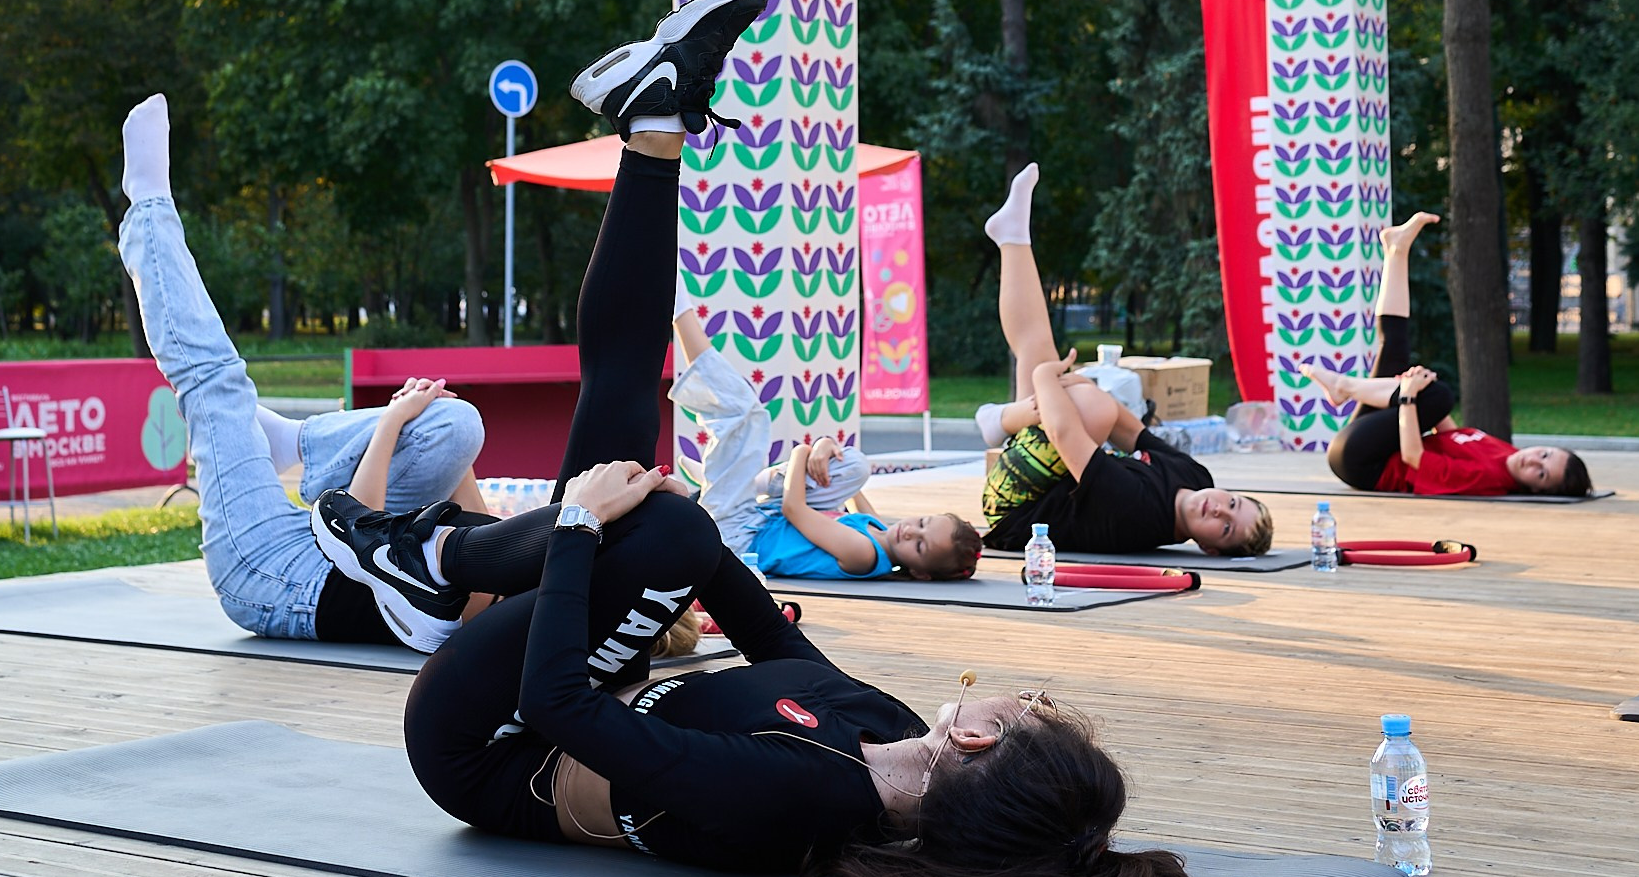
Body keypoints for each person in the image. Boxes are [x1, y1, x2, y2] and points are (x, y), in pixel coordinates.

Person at [302, 0, 1190, 877]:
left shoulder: (804, 796)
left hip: (484, 740)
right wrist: (657, 511)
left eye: (1033, 702)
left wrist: (573, 528)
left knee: (655, 519)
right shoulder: (882, 730)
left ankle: (428, 558)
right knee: (642, 453)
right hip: (582, 686)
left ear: (975, 739)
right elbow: (769, 637)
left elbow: (564, 709)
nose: (1024, 689)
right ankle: (653, 124)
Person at [117, 96, 503, 646]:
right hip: (330, 539)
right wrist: (431, 421)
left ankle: (147, 208)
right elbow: (443, 486)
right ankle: (297, 443)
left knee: (217, 379)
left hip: (273, 576)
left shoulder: (497, 606)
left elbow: (363, 531)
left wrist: (392, 422)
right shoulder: (519, 564)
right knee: (458, 424)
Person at [976, 165, 1272, 558]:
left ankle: (1000, 419)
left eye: (1225, 527)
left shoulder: (1140, 514)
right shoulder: (1197, 478)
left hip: (1015, 508)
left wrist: (1048, 378)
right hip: (1055, 478)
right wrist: (1074, 384)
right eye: (1232, 503)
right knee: (1078, 387)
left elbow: (1067, 436)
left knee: (1083, 401)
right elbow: (1131, 430)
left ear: (1209, 547)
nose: (1217, 508)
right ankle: (1013, 237)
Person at [676, 303, 982, 581]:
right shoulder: (881, 533)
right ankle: (727, 481)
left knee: (746, 415)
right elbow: (853, 490)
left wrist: (803, 452)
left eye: (920, 545)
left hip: (738, 538)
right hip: (760, 520)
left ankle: (680, 313)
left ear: (918, 572)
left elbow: (794, 508)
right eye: (924, 522)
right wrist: (825, 445)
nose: (911, 530)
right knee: (855, 466)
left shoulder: (863, 554)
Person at [1310, 213, 1592, 497]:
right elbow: (1448, 436)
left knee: (1440, 396)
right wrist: (1413, 384)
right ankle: (1396, 251)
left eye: (1541, 474)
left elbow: (1413, 457)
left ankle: (1343, 386)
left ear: (1534, 489)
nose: (1532, 460)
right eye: (1544, 454)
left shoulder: (1487, 479)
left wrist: (1409, 397)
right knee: (1397, 351)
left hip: (1363, 462)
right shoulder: (1507, 453)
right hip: (1372, 445)